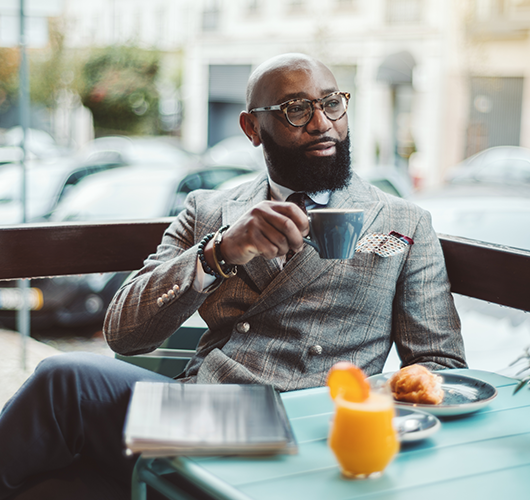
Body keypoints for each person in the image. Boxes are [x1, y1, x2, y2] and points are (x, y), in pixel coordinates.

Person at [0, 53, 466, 499]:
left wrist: (366, 408)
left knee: (68, 455)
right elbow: (124, 333)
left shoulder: (403, 221)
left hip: (312, 421)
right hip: (202, 409)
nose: (323, 123)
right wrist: (219, 252)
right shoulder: (209, 211)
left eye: (331, 103)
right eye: (296, 109)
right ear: (252, 128)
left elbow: (440, 366)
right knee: (61, 401)